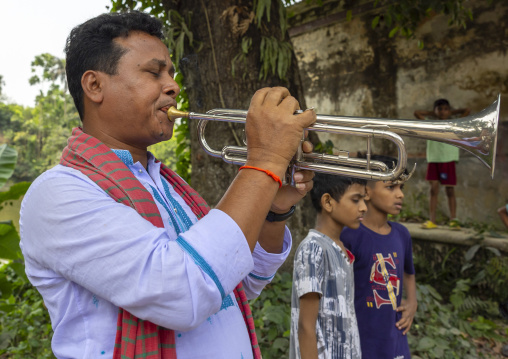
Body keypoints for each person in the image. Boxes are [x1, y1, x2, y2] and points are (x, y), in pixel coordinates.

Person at [19, 11, 317, 359]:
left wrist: (274, 208)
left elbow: (234, 283)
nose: (173, 86)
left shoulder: (168, 186)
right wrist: (264, 162)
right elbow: (182, 291)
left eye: (172, 74)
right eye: (153, 72)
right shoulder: (58, 192)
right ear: (95, 86)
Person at [341, 155, 417, 359]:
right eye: (391, 187)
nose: (400, 194)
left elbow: (409, 272)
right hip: (360, 341)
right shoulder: (349, 235)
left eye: (401, 188)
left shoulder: (402, 234)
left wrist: (412, 302)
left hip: (395, 340)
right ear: (367, 191)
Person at [289, 173, 367, 359]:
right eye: (356, 200)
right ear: (328, 202)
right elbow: (306, 326)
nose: (364, 208)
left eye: (364, 200)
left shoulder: (339, 248)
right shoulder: (314, 249)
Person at [414, 99, 470, 230]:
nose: (443, 112)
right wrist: (434, 114)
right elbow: (417, 113)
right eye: (440, 109)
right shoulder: (430, 124)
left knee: (450, 190)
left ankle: (453, 220)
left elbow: (467, 110)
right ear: (435, 111)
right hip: (433, 160)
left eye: (446, 109)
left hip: (448, 160)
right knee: (433, 190)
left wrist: (450, 113)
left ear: (449, 111)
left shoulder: (454, 123)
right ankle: (432, 220)